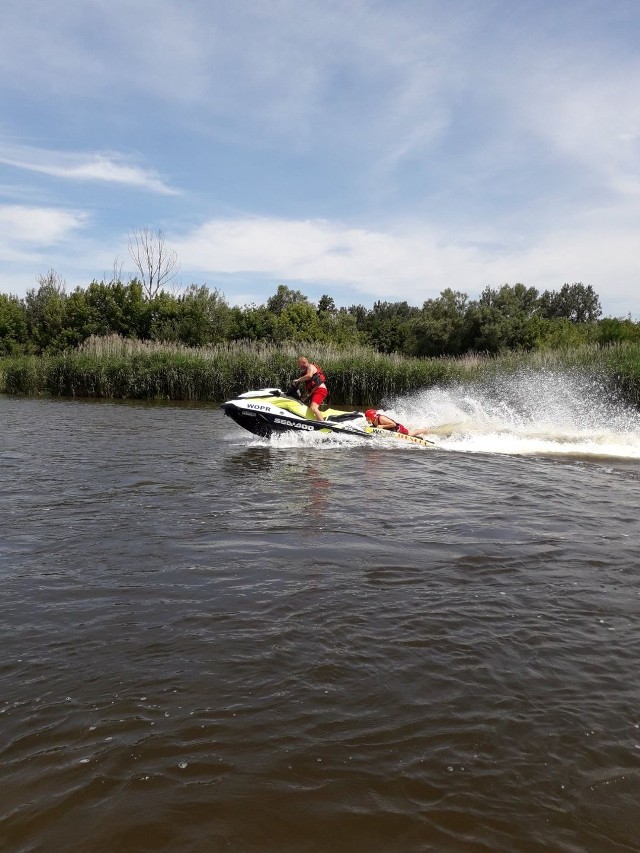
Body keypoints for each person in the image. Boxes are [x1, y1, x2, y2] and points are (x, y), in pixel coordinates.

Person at [292, 357, 328, 421]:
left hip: (320, 390)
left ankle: (324, 425)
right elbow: (311, 387)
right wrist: (304, 397)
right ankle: (316, 420)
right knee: (309, 410)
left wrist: (298, 380)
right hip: (316, 391)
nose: (298, 366)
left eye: (299, 364)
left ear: (303, 362)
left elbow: (309, 376)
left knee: (313, 408)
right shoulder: (305, 371)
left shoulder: (310, 366)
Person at [364, 408, 430, 437]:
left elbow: (393, 424)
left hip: (398, 429)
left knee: (411, 434)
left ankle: (425, 430)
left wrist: (382, 426)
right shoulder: (374, 420)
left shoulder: (381, 418)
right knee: (410, 431)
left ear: (372, 417)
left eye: (367, 418)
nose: (366, 420)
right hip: (391, 430)